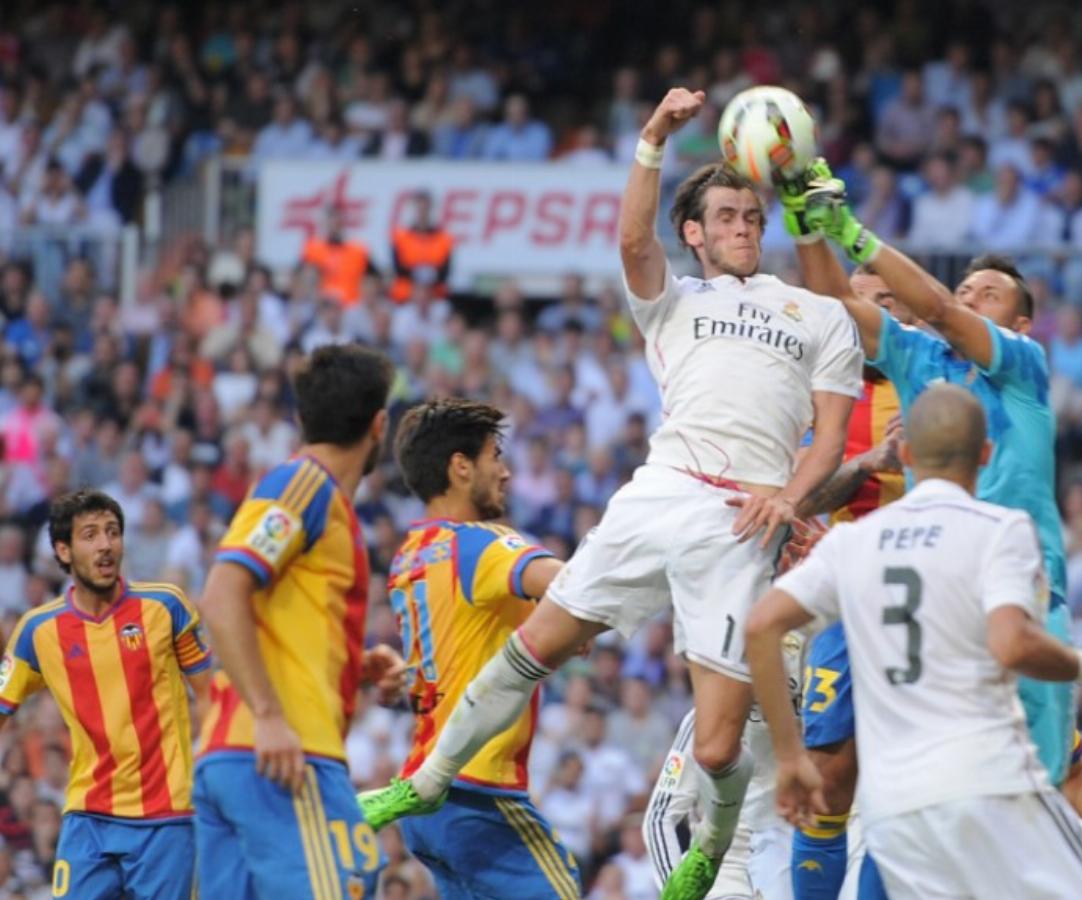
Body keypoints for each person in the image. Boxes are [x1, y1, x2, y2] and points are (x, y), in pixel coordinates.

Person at [357, 88, 862, 900]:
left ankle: (709, 846)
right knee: (531, 650)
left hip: (741, 522)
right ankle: (424, 779)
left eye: (753, 216)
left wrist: (791, 500)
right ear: (693, 232)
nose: (743, 227)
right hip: (659, 494)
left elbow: (833, 439)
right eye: (726, 216)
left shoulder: (818, 315)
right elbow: (632, 238)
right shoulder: (676, 302)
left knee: (716, 747)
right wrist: (653, 140)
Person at [745, 385, 1082, 899]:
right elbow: (1014, 645)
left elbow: (760, 626)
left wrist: (790, 755)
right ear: (985, 455)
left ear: (905, 455)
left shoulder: (853, 542)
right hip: (986, 784)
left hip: (897, 804)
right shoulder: (1001, 530)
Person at [791, 161, 1075, 792]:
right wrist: (804, 223)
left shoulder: (1024, 365)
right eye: (967, 288)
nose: (971, 296)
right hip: (940, 601)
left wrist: (851, 230)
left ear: (1021, 323)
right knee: (927, 786)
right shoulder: (918, 355)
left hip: (1023, 598)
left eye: (990, 293)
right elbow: (837, 303)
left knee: (1031, 783)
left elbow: (942, 310)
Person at [193, 344, 406, 899]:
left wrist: (349, 666)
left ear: (300, 418)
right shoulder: (305, 486)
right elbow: (221, 593)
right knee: (351, 880)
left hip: (235, 757)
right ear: (379, 425)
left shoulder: (312, 495)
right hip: (284, 756)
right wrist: (267, 714)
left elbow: (267, 618)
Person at [381, 399, 580, 898]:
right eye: (496, 456)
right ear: (460, 466)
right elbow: (575, 588)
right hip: (478, 788)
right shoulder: (481, 544)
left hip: (425, 799)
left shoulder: (410, 555)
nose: (507, 472)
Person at [0, 490, 212, 898]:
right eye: (91, 534)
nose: (105, 545)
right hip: (88, 817)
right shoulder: (37, 631)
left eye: (113, 532)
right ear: (63, 551)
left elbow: (210, 696)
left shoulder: (166, 606)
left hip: (165, 818)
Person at [785, 264, 910, 900]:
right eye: (858, 305)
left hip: (920, 604)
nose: (870, 316)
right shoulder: (830, 397)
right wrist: (872, 461)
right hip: (845, 599)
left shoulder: (935, 386)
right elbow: (805, 499)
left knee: (901, 782)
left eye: (885, 303)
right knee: (829, 777)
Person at [644, 633, 805, 900]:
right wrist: (679, 890)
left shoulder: (816, 716)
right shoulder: (703, 722)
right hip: (725, 868)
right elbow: (659, 817)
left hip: (795, 854)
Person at [389, 191, 454, 303]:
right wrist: (418, 274)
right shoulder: (400, 237)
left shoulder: (443, 238)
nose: (422, 211)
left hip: (435, 298)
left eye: (425, 207)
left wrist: (430, 275)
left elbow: (446, 271)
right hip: (405, 298)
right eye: (419, 207)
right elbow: (398, 268)